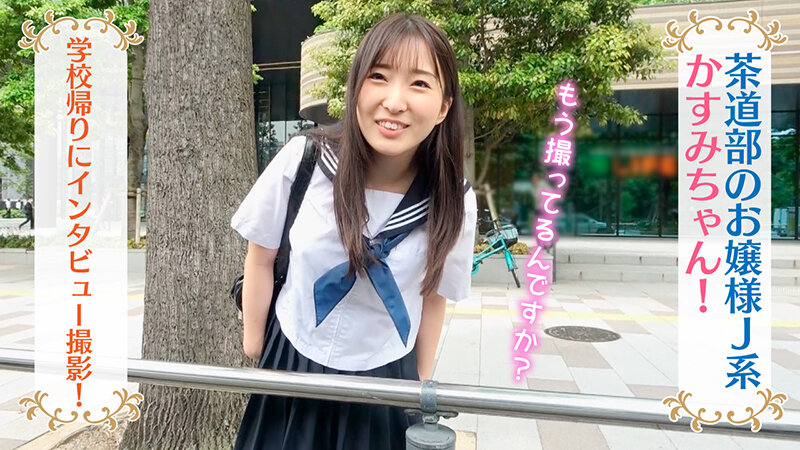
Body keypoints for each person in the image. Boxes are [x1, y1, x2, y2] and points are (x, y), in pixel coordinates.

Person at [230, 13, 477, 450]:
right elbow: (261, 255)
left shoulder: (453, 199)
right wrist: (256, 345)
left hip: (386, 375)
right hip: (291, 359)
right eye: (378, 76)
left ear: (443, 107)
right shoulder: (304, 160)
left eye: (419, 84)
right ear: (356, 87)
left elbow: (434, 295)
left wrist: (419, 381)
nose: (395, 102)